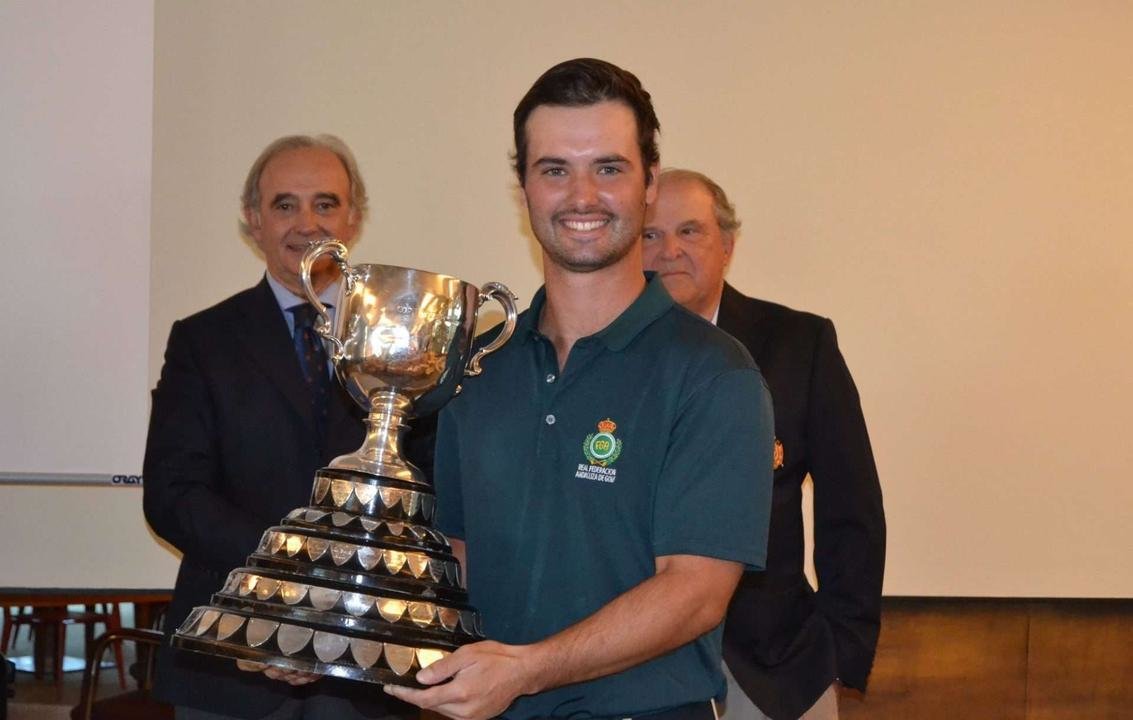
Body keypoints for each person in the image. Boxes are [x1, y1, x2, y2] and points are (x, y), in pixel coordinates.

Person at [382, 59, 775, 720]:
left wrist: (529, 669)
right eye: (555, 169)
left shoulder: (715, 375)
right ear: (524, 188)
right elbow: (457, 556)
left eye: (609, 168)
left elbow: (694, 592)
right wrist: (342, 631)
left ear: (649, 183)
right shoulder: (479, 365)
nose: (582, 196)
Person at [143, 134, 423, 720]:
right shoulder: (202, 341)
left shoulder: (401, 343)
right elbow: (173, 495)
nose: (307, 223)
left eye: (326, 203)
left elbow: (427, 483)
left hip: (366, 660)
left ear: (353, 217)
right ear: (253, 219)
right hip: (228, 655)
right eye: (284, 204)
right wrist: (293, 571)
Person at [641, 169, 886, 720]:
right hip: (634, 663)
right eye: (650, 235)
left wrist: (842, 646)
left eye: (690, 232)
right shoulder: (600, 351)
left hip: (774, 668)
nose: (669, 251)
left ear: (726, 246)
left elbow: (853, 506)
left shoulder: (800, 344)